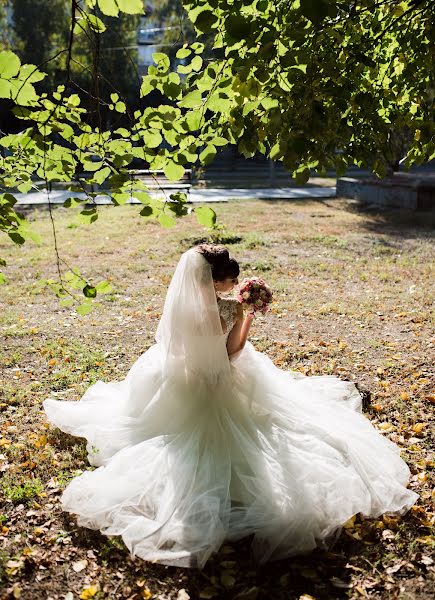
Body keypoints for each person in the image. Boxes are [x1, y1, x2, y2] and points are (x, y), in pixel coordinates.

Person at [43, 244, 418, 568]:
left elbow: (175, 351)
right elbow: (233, 352)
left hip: (179, 382)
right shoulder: (228, 311)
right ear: (216, 281)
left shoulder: (181, 309)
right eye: (228, 280)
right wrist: (248, 314)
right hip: (221, 383)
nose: (231, 287)